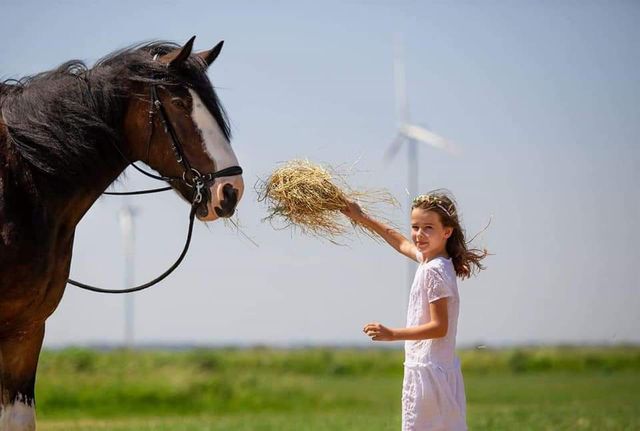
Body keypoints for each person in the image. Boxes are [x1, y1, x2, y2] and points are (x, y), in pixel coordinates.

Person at [341, 190, 487, 431]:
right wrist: (361, 216)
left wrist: (393, 334)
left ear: (447, 231)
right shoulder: (434, 261)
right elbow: (399, 242)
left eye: (428, 227)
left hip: (428, 374)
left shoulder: (434, 271)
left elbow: (439, 327)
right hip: (439, 369)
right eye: (415, 226)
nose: (419, 234)